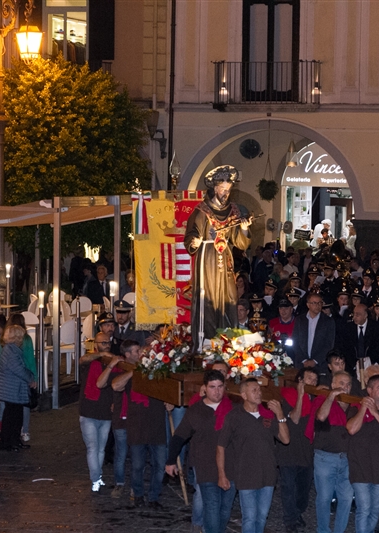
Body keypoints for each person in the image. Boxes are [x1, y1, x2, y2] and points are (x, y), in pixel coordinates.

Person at [184, 165, 252, 350]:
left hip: (226, 261)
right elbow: (190, 237)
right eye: (223, 189)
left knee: (229, 296)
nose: (226, 193)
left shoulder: (234, 212)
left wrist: (244, 228)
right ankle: (206, 340)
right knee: (209, 298)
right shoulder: (202, 211)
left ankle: (227, 339)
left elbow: (240, 242)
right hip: (208, 260)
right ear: (215, 188)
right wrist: (197, 241)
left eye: (229, 190)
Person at [166, 370, 236, 533]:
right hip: (205, 465)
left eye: (220, 387)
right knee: (211, 507)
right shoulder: (196, 410)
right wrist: (170, 461)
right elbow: (180, 436)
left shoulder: (233, 408)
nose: (217, 391)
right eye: (212, 387)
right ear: (205, 388)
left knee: (225, 509)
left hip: (230, 465)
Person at [216, 379, 289, 533]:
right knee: (249, 517)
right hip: (245, 474)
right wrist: (222, 474)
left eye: (259, 390)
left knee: (261, 517)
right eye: (254, 390)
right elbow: (221, 446)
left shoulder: (267, 415)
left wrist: (280, 414)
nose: (259, 393)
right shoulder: (234, 416)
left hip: (267, 475)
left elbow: (285, 439)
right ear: (243, 394)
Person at [112, 352, 168, 509]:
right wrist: (135, 371)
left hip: (157, 427)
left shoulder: (161, 375)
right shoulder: (131, 375)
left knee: (160, 465)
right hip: (137, 427)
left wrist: (169, 403)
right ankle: (137, 495)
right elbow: (116, 385)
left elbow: (170, 397)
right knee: (137, 465)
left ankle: (153, 497)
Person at [346, 375, 379, 533]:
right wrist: (364, 408)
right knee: (364, 508)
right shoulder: (355, 407)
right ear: (369, 391)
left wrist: (376, 413)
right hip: (360, 466)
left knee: (375, 510)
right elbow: (351, 428)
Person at [308, 370, 355, 533]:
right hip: (325, 458)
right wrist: (331, 396)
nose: (345, 387)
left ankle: (339, 531)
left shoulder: (353, 404)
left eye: (348, 384)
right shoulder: (323, 399)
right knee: (325, 498)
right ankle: (323, 530)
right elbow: (321, 416)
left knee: (347, 497)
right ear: (333, 384)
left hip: (346, 458)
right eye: (341, 383)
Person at [95, 339, 142, 498]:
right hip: (121, 418)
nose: (139, 353)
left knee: (137, 455)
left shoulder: (144, 367)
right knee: (121, 453)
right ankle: (119, 483)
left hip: (137, 418)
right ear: (127, 354)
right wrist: (112, 364)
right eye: (136, 351)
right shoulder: (119, 368)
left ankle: (136, 486)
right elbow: (101, 384)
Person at [277, 367, 318, 533]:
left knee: (303, 488)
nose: (313, 383)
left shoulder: (315, 399)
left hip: (306, 450)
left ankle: (297, 512)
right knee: (288, 487)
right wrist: (301, 396)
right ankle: (290, 520)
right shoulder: (288, 396)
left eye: (315, 380)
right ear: (300, 380)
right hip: (288, 451)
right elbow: (294, 418)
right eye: (309, 379)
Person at [78, 332, 116, 492]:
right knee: (93, 447)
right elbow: (82, 359)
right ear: (96, 345)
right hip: (88, 410)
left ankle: (97, 477)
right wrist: (101, 355)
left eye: (108, 342)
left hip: (106, 411)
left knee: (101, 448)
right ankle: (96, 478)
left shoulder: (114, 362)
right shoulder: (91, 360)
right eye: (103, 342)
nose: (106, 345)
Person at [0, 325, 34, 452]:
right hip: (11, 389)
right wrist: (30, 379)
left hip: (12, 389)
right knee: (12, 417)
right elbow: (19, 369)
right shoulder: (11, 351)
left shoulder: (11, 350)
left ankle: (13, 441)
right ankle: (9, 442)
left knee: (14, 416)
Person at [291, 292, 335, 376]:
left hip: (320, 364)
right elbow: (295, 341)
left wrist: (315, 360)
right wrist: (304, 360)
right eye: (314, 303)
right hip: (301, 364)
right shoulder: (300, 320)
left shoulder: (328, 321)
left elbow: (329, 344)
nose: (317, 305)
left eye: (319, 303)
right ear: (308, 305)